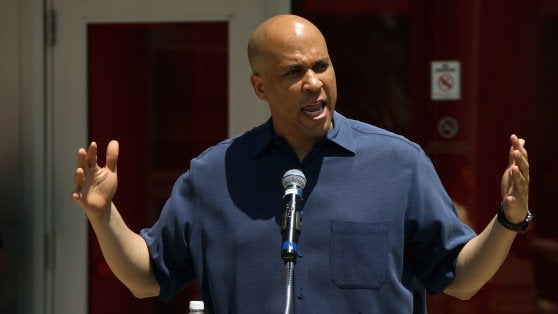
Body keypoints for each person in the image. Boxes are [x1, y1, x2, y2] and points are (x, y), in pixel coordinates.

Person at [72, 14, 531, 313]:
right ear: (259, 87)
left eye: (322, 66)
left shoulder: (398, 164)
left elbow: (462, 279)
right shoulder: (213, 175)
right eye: (294, 72)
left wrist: (508, 221)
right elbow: (147, 277)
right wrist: (102, 214)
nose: (314, 83)